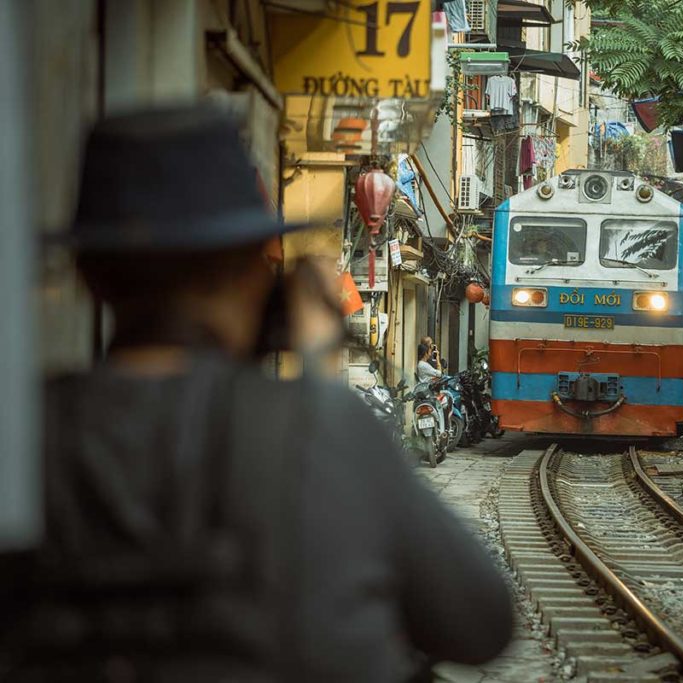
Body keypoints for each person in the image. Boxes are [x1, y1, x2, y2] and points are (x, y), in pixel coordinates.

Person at [1, 106, 513, 682]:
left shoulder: (25, 431)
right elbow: (480, 623)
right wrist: (318, 373)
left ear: (88, 276)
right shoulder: (321, 427)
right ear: (255, 269)